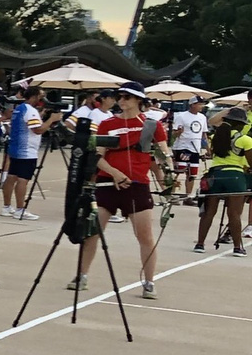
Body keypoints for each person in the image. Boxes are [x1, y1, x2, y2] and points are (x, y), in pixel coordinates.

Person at [71, 82, 169, 298]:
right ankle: (82, 276)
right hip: (108, 184)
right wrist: (115, 173)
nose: (121, 100)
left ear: (138, 100)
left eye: (127, 96)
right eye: (119, 96)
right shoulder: (107, 124)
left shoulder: (151, 125)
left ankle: (149, 282)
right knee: (93, 231)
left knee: (145, 236)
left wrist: (166, 181)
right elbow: (97, 156)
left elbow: (160, 157)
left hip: (137, 186)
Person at [193, 107, 249, 257]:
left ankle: (200, 244)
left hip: (215, 175)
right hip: (235, 176)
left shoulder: (217, 136)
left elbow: (212, 122)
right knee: (234, 214)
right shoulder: (245, 139)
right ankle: (238, 247)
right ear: (239, 124)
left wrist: (227, 112)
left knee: (209, 212)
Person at [0, 86, 52, 220]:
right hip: (27, 150)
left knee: (11, 177)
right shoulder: (30, 110)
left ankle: (6, 207)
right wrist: (51, 120)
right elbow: (38, 130)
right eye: (41, 96)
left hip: (16, 148)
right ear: (34, 96)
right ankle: (20, 209)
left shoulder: (19, 109)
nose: (42, 99)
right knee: (23, 180)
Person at [171, 99, 208, 205]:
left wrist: (207, 149)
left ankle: (188, 196)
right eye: (199, 104)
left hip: (195, 148)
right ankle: (172, 194)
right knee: (179, 171)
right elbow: (174, 133)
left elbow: (203, 134)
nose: (201, 106)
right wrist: (179, 132)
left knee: (192, 174)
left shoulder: (202, 117)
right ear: (193, 104)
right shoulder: (181, 116)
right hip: (183, 146)